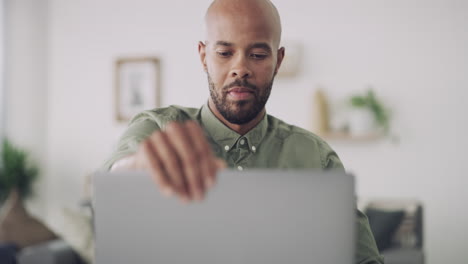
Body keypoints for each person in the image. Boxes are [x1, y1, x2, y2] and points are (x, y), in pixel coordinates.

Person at [104, 0, 383, 263]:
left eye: (258, 55)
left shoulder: (316, 158)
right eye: (225, 53)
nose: (240, 69)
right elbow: (115, 181)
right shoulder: (156, 128)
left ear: (279, 60)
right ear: (203, 56)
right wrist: (140, 169)